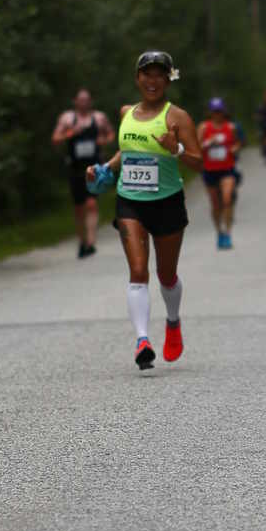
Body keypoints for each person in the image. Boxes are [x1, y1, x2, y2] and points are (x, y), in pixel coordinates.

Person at [86, 50, 203, 370]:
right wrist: (103, 170)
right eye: (146, 74)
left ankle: (173, 322)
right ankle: (142, 341)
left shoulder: (177, 117)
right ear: (138, 78)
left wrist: (176, 149)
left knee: (166, 275)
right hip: (130, 201)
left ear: (168, 79)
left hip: (167, 202)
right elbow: (126, 151)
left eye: (159, 75)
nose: (153, 81)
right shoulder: (126, 112)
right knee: (138, 271)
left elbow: (199, 162)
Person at [51, 88, 116, 258]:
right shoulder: (67, 118)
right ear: (75, 101)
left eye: (87, 100)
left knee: (92, 203)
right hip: (75, 168)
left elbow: (111, 134)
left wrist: (103, 140)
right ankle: (82, 241)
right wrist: (70, 133)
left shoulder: (99, 118)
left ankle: (91, 242)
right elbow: (55, 138)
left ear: (91, 101)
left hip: (94, 167)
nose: (84, 103)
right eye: (81, 100)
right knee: (79, 208)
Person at [198, 96, 240, 249]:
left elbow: (237, 143)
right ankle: (219, 232)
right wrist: (209, 143)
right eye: (215, 111)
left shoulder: (230, 127)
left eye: (220, 111)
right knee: (216, 205)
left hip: (227, 169)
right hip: (210, 170)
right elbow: (196, 147)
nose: (217, 114)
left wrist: (235, 148)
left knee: (227, 200)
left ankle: (228, 233)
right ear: (210, 112)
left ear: (224, 111)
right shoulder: (204, 127)